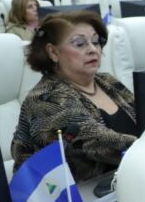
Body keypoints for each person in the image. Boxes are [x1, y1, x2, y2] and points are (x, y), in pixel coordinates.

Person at [12, 11, 136, 182]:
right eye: (79, 44)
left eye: (96, 42)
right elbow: (98, 142)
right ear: (53, 52)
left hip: (126, 179)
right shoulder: (45, 98)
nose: (93, 49)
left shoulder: (107, 81)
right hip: (76, 194)